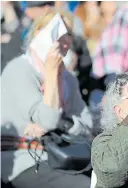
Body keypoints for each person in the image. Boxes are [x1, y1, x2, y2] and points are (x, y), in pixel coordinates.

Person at [1, 9, 93, 188]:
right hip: (26, 159)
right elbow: (48, 119)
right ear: (39, 34)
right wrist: (51, 74)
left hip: (65, 156)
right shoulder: (19, 70)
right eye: (60, 32)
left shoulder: (68, 78)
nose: (66, 40)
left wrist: (61, 124)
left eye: (69, 34)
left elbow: (86, 124)